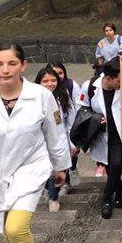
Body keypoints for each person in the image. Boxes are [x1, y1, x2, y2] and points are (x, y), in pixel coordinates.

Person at [0, 44, 71, 243]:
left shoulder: (41, 96)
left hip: (30, 169)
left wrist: (61, 166)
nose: (5, 70)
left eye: (12, 63)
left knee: (16, 229)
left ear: (23, 65)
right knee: (7, 230)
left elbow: (55, 134)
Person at [82, 57, 122, 219]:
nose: (121, 84)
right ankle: (118, 193)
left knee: (117, 164)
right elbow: (83, 108)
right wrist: (95, 119)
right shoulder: (90, 86)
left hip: (119, 134)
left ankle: (106, 199)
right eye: (118, 80)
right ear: (109, 78)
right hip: (101, 134)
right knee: (109, 167)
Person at [34, 66, 77, 213]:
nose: (50, 83)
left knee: (57, 168)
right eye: (45, 81)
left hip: (59, 141)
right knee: (46, 172)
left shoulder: (62, 97)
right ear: (38, 83)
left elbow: (70, 121)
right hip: (39, 143)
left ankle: (53, 198)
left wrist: (72, 142)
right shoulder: (32, 100)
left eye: (53, 80)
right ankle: (51, 189)